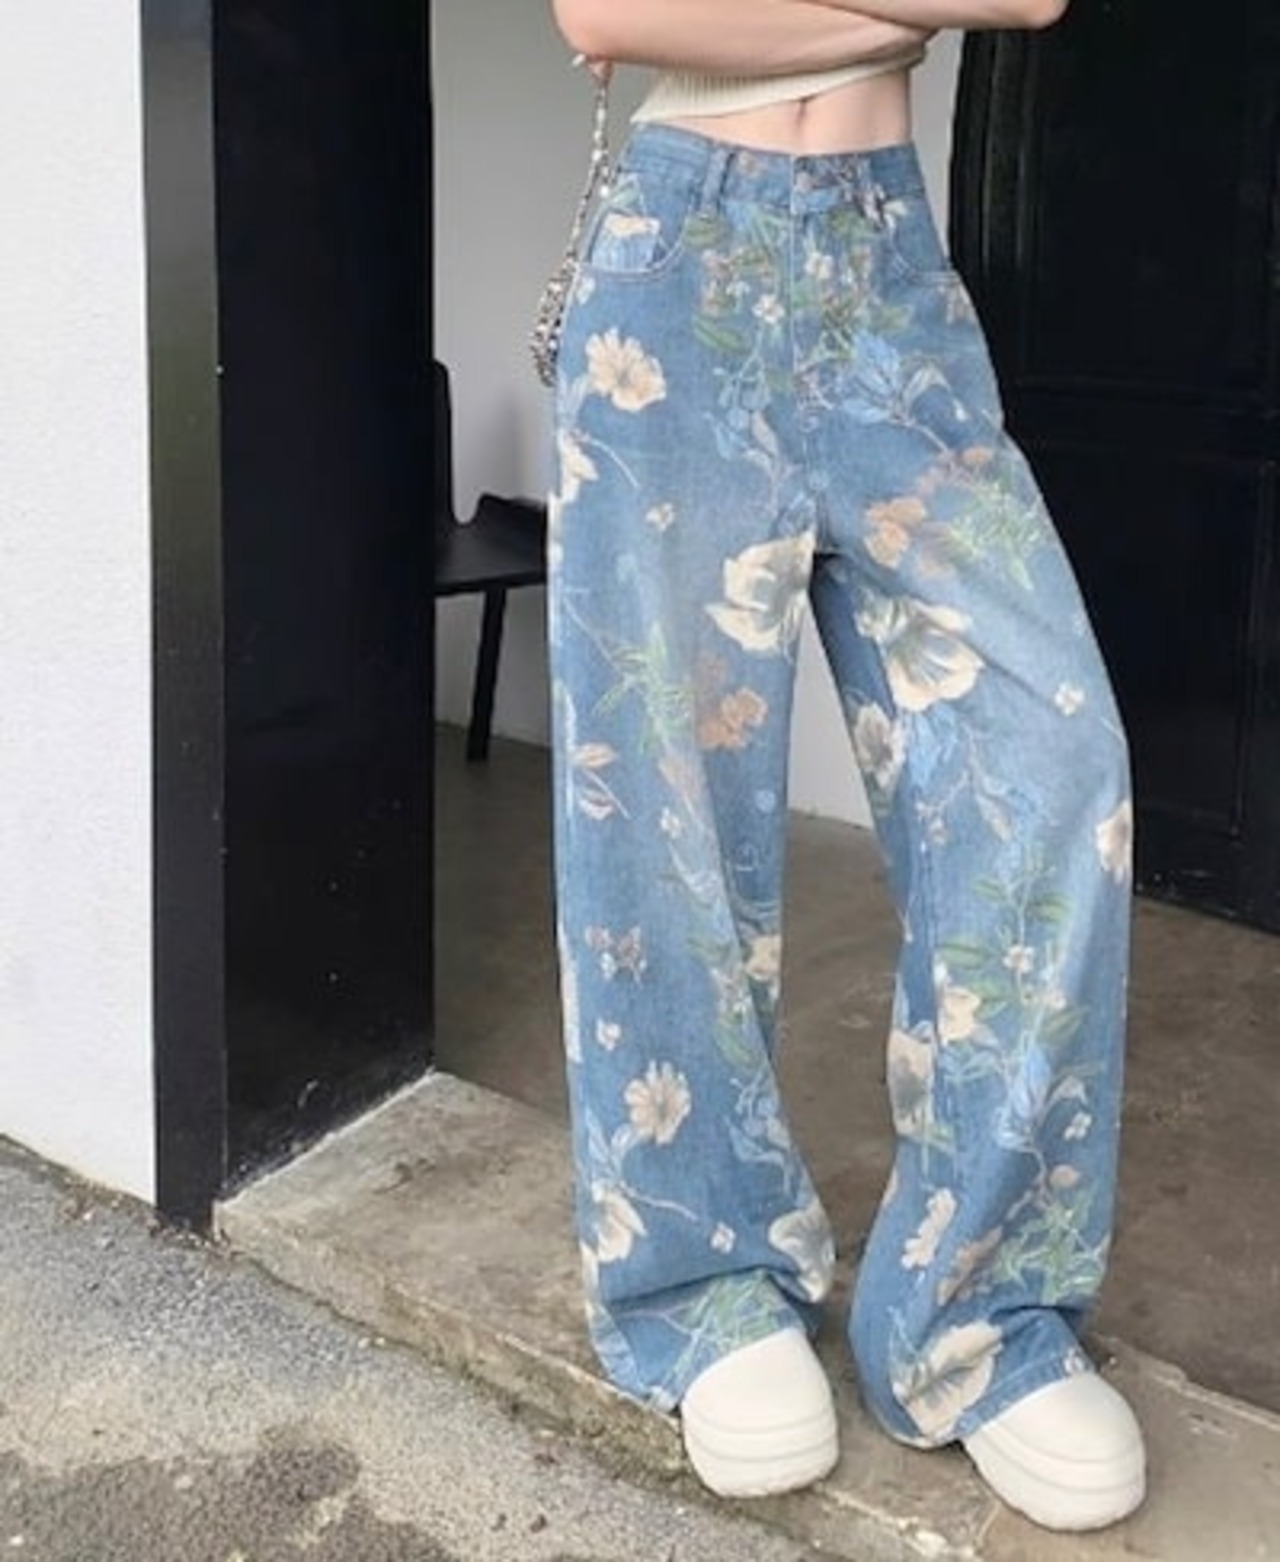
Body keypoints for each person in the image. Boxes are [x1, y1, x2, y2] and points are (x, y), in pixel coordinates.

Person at [543, 0, 1144, 1533]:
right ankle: (705, 1282)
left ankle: (976, 1307)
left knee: (1054, 755)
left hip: (891, 278)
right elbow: (606, 11)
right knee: (664, 803)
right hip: (674, 265)